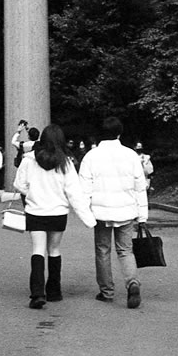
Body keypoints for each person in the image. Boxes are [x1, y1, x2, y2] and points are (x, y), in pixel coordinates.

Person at [6, 124, 96, 308]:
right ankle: (54, 291)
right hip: (58, 212)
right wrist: (88, 219)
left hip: (35, 211)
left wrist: (31, 193)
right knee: (54, 250)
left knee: (38, 250)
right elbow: (74, 193)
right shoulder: (66, 163)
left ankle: (37, 293)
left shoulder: (29, 159)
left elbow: (19, 184)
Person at [78, 116, 148, 308]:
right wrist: (142, 215)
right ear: (119, 133)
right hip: (126, 210)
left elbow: (84, 188)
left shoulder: (91, 157)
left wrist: (85, 214)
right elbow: (139, 187)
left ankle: (106, 291)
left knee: (102, 250)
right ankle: (132, 282)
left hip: (100, 212)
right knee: (125, 250)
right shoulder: (131, 155)